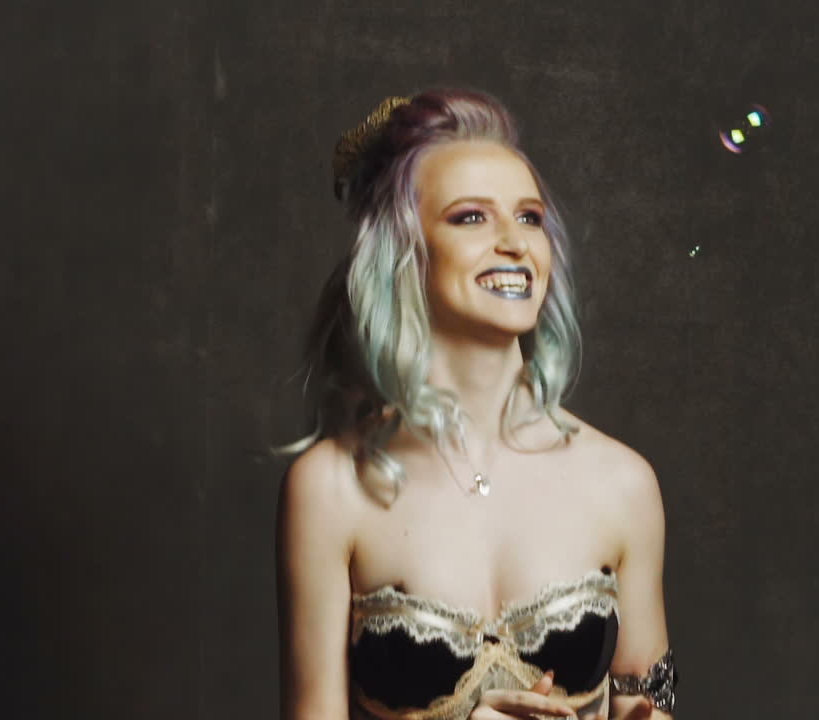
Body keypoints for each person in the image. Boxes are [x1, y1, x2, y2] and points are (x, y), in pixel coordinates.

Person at [273, 88, 679, 720]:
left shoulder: (623, 482)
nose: (514, 243)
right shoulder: (329, 488)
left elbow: (650, 701)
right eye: (471, 217)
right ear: (404, 253)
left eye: (530, 217)